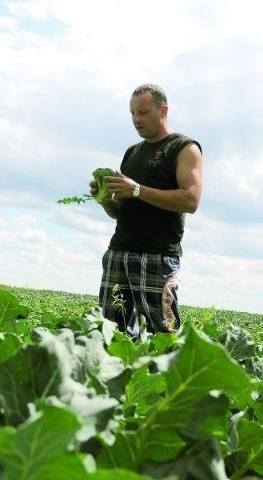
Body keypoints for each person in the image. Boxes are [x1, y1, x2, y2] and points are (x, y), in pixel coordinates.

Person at [90, 83, 203, 335]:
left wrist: (138, 189)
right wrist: (104, 198)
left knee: (162, 334)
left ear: (163, 110)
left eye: (142, 113)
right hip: (118, 253)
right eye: (132, 113)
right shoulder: (132, 152)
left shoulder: (184, 148)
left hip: (155, 258)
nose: (136, 120)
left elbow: (191, 200)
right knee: (112, 333)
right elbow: (120, 212)